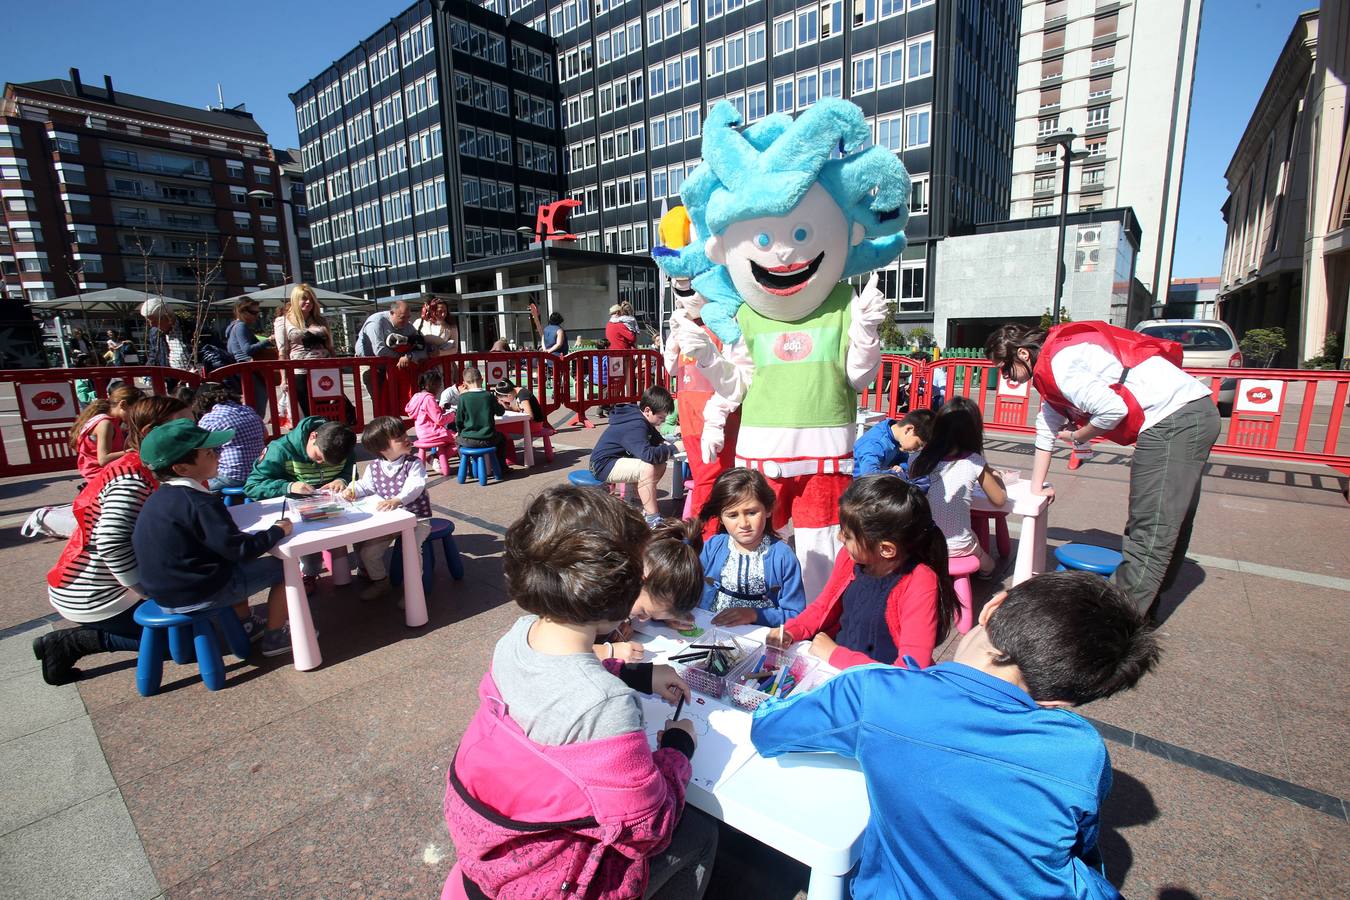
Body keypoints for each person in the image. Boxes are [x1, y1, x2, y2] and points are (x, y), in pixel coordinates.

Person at [751, 571, 1161, 899]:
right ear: (1062, 702)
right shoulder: (1082, 750)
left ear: (992, 606)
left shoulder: (875, 692)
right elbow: (1083, 850)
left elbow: (769, 730)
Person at [442, 485, 717, 900]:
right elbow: (651, 826)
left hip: (492, 843)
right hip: (556, 878)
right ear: (620, 596)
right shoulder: (605, 705)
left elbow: (560, 677)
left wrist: (637, 674)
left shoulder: (516, 638)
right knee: (700, 832)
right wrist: (679, 746)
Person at [984, 322, 1221, 620]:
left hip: (1173, 419)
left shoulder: (1060, 364)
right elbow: (1045, 430)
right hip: (1188, 413)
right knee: (1171, 518)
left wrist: (1079, 436)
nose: (1005, 377)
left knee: (1151, 526)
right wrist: (1036, 487)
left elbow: (1113, 409)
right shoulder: (1052, 369)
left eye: (1005, 369)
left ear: (1023, 354)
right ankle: (1144, 609)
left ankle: (1112, 624)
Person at [34, 397, 194, 684]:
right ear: (148, 432)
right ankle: (73, 642)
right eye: (183, 425)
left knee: (203, 624)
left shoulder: (149, 465)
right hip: (96, 593)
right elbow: (110, 541)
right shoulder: (133, 477)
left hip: (109, 584)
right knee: (189, 642)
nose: (193, 431)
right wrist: (145, 591)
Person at [133, 419, 295, 657]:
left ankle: (246, 623)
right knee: (284, 568)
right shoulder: (199, 503)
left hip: (164, 591)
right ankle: (276, 636)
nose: (218, 455)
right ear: (182, 468)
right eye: (209, 453)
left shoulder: (160, 498)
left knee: (234, 565)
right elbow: (240, 550)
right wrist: (277, 531)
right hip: (199, 591)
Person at [768, 475, 956, 669]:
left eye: (848, 535)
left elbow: (911, 668)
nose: (840, 538)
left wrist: (835, 654)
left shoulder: (920, 581)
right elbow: (822, 606)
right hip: (835, 669)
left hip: (880, 685)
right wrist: (790, 631)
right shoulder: (850, 559)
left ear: (886, 549)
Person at [244, 415, 356, 581]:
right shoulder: (280, 450)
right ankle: (309, 573)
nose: (320, 463)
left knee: (340, 550)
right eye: (318, 457)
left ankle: (331, 571)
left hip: (331, 510)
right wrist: (288, 486)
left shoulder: (342, 446)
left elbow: (350, 472)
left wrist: (342, 480)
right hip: (295, 514)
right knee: (309, 547)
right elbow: (252, 486)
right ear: (313, 436)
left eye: (328, 463)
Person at [908, 397, 1007, 577]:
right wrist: (997, 477)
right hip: (958, 546)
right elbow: (999, 500)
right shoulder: (974, 462)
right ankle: (985, 574)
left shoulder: (916, 459)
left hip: (920, 543)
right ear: (973, 432)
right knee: (989, 564)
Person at [697, 467, 806, 627]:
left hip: (761, 639)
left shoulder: (783, 557)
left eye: (751, 513)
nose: (743, 524)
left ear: (768, 509)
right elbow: (688, 588)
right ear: (721, 517)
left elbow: (795, 614)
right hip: (711, 630)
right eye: (733, 515)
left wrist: (755, 615)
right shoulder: (713, 547)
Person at [342, 417, 432, 602]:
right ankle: (381, 582)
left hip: (417, 520)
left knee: (412, 552)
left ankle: (414, 592)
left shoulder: (414, 463)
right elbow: (365, 486)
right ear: (383, 449)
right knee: (369, 552)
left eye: (404, 434)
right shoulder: (374, 467)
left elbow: (415, 486)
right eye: (399, 438)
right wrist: (352, 490)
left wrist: (398, 500)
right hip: (390, 522)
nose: (406, 438)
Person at [596, 517, 705, 663]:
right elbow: (558, 649)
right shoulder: (590, 591)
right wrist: (606, 651)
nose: (641, 619)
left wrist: (660, 617)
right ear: (640, 579)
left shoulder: (631, 591)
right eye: (643, 612)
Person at [589, 385, 675, 522]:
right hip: (602, 465)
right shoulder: (636, 425)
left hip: (615, 460)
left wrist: (664, 443)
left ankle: (633, 503)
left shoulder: (640, 417)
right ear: (648, 410)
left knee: (660, 464)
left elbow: (655, 437)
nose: (662, 422)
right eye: (661, 418)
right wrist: (674, 448)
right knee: (648, 467)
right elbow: (648, 455)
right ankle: (652, 518)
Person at [275, 284, 335, 423]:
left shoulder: (321, 320)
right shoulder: (283, 321)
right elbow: (282, 352)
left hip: (324, 370)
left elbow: (330, 347)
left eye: (311, 299)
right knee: (305, 412)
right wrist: (283, 379)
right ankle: (308, 440)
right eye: (304, 299)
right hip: (300, 372)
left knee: (325, 410)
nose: (308, 302)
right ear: (295, 300)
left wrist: (335, 367)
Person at [193, 382, 266, 491]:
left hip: (232, 476)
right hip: (259, 472)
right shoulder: (248, 410)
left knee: (194, 486)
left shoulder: (210, 419)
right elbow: (265, 434)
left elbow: (199, 448)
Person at [355, 300, 426, 409]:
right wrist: (401, 357)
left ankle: (395, 423)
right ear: (391, 313)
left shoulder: (409, 327)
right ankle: (382, 423)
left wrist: (409, 356)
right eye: (402, 317)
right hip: (370, 364)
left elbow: (422, 348)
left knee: (395, 400)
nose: (406, 321)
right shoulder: (376, 322)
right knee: (379, 401)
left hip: (392, 366)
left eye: (408, 317)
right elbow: (379, 350)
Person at [70, 384, 144, 482]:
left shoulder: (109, 420)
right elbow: (104, 459)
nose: (137, 415)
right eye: (135, 410)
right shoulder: (105, 424)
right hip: (100, 476)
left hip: (103, 472)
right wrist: (134, 451)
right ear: (123, 405)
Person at [453, 366, 512, 475]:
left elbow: (459, 421)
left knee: (457, 440)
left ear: (464, 383)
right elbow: (500, 412)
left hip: (468, 439)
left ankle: (467, 467)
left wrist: (460, 433)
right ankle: (501, 466)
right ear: (482, 379)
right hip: (488, 439)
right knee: (502, 438)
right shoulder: (488, 396)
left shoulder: (463, 398)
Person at [225, 298, 275, 417]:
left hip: (241, 370)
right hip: (248, 369)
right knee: (258, 404)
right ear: (242, 311)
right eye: (254, 313)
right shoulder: (241, 326)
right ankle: (255, 430)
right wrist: (268, 340)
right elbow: (247, 349)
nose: (257, 316)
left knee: (252, 404)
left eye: (258, 312)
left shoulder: (233, 327)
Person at [852, 408, 934, 477]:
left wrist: (901, 467)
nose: (916, 449)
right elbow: (868, 474)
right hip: (861, 488)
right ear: (908, 430)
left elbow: (904, 459)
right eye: (918, 444)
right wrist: (895, 474)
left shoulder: (898, 437)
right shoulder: (875, 443)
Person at [404, 368, 454, 452]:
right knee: (459, 440)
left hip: (422, 433)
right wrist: (453, 416)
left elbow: (426, 414)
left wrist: (441, 409)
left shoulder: (417, 396)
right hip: (433, 433)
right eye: (438, 386)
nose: (439, 389)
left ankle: (438, 457)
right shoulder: (429, 399)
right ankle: (436, 457)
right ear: (432, 385)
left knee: (452, 439)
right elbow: (439, 420)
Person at [139, 297, 191, 372]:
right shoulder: (154, 333)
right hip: (170, 379)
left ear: (168, 318)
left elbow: (206, 354)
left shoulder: (192, 330)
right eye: (148, 321)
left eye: (154, 321)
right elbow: (154, 356)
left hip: (192, 377)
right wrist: (148, 373)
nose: (151, 325)